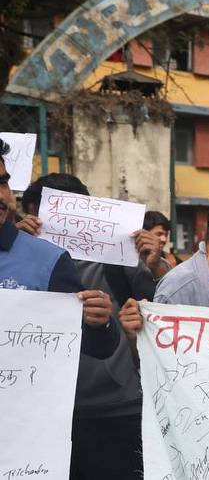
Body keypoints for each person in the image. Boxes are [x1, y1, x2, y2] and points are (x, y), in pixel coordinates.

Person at [20, 173, 168, 480]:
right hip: (42, 411)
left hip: (116, 407)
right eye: (41, 221)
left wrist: (156, 264)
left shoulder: (119, 255)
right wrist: (14, 249)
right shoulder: (19, 256)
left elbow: (164, 303)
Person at [0, 139, 117, 360]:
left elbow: (94, 344)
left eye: (3, 183)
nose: (2, 196)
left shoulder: (50, 260)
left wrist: (99, 323)